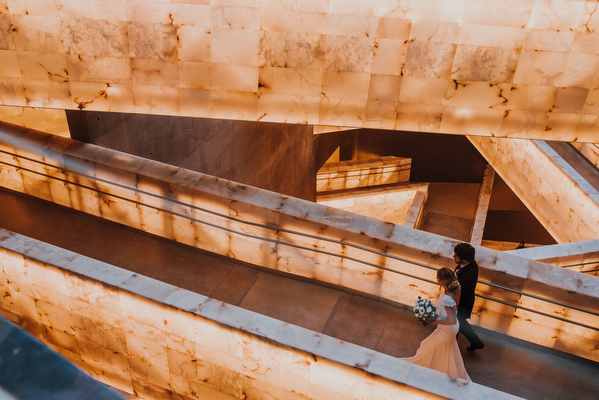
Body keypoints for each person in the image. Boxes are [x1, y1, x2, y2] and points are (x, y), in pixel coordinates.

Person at [402, 268, 470, 380]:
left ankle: (430, 372)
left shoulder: (448, 299)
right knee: (445, 350)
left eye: (437, 278)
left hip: (447, 329)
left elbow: (451, 320)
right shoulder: (456, 287)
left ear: (442, 282)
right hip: (450, 327)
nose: (436, 279)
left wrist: (432, 320)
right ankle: (446, 371)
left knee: (427, 345)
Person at [453, 242, 485, 351]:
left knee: (457, 323)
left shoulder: (467, 278)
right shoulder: (470, 263)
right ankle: (476, 342)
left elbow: (460, 291)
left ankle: (453, 346)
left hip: (462, 303)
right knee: (460, 323)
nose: (453, 256)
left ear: (464, 260)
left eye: (456, 255)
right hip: (463, 301)